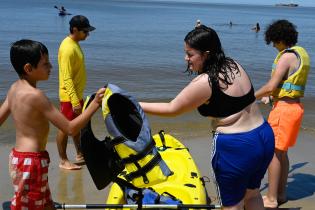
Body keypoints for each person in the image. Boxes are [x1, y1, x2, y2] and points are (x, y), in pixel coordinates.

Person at [140, 23, 275, 210]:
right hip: (264, 137)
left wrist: (133, 104)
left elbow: (172, 108)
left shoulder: (205, 82)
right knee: (252, 195)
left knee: (232, 205)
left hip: (236, 147)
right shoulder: (233, 64)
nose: (186, 58)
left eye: (190, 54)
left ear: (206, 54)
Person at [0, 39, 105, 210]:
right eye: (45, 64)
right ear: (28, 68)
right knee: (29, 205)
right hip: (32, 162)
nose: (51, 67)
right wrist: (93, 106)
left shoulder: (14, 89)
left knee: (41, 202)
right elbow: (70, 128)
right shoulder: (36, 96)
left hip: (17, 158)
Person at [255, 19, 310, 208]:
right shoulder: (299, 54)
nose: (273, 46)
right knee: (282, 153)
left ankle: (271, 199)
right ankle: (281, 194)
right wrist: (271, 98)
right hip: (294, 108)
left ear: (279, 39)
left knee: (273, 153)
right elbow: (284, 86)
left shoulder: (286, 56)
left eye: (273, 42)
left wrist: (248, 97)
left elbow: (271, 86)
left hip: (284, 111)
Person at [56, 15, 96, 170]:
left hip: (76, 95)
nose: (88, 34)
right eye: (85, 31)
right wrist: (73, 101)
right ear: (75, 30)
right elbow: (66, 78)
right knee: (65, 128)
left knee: (76, 126)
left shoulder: (75, 43)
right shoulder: (67, 48)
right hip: (68, 97)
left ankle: (79, 153)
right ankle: (63, 160)